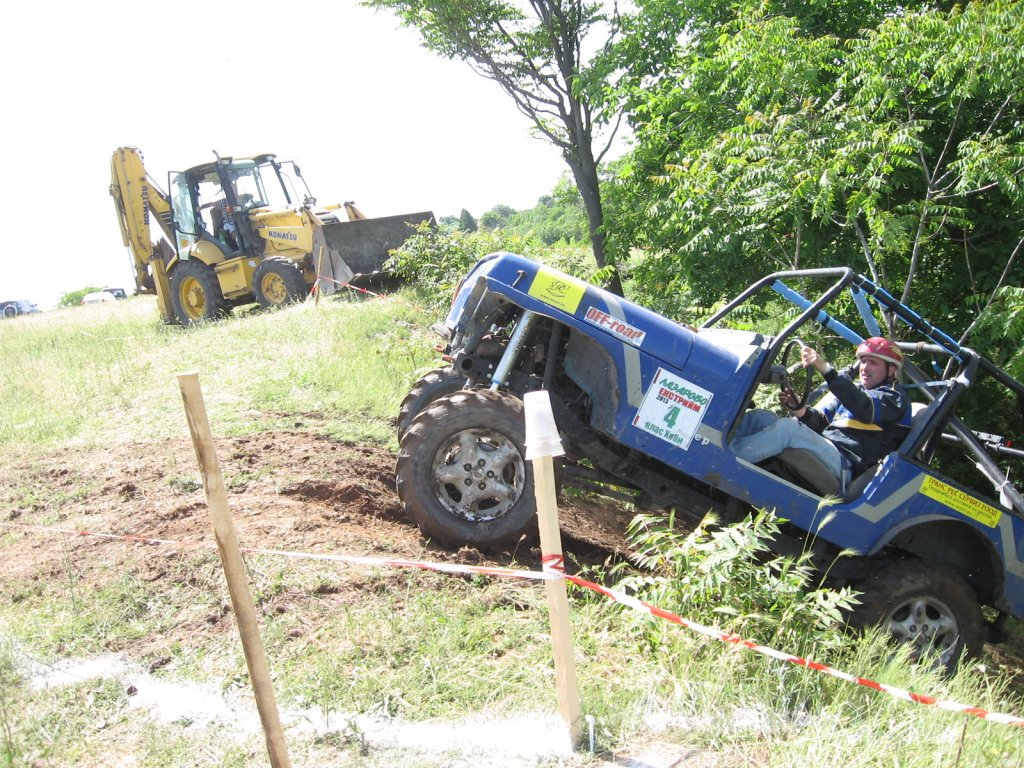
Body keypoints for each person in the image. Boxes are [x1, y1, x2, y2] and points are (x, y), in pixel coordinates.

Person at [730, 337, 911, 492]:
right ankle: (718, 440)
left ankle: (724, 459)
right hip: (828, 449)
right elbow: (821, 422)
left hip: (847, 464)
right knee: (762, 417)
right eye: (863, 361)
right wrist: (800, 411)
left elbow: (864, 407)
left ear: (891, 370)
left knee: (788, 429)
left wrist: (825, 368)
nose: (864, 367)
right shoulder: (858, 392)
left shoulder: (895, 398)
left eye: (873, 362)